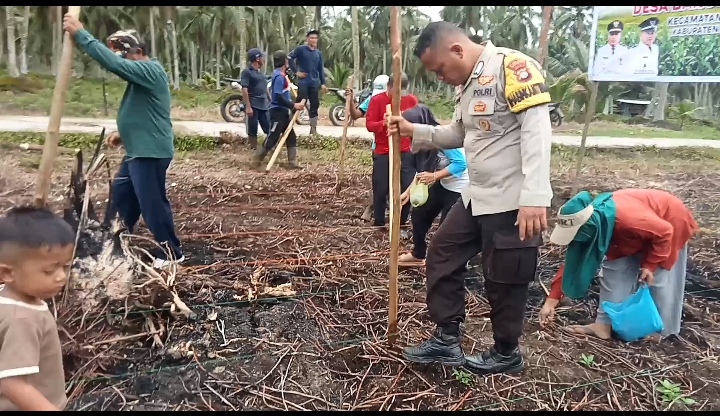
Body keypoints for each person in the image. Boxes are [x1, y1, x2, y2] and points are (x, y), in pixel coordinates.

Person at [386, 21, 553, 375]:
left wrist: (535, 196)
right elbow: (458, 133)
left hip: (512, 200)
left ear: (457, 50)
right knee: (442, 252)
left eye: (440, 69)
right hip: (476, 195)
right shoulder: (468, 84)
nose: (440, 77)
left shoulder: (512, 68)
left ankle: (506, 351)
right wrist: (414, 130)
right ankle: (447, 338)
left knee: (504, 276)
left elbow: (537, 133)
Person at [64, 15, 184, 268]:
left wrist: (81, 34)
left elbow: (114, 65)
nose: (124, 63)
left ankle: (171, 253)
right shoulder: (142, 79)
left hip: (150, 152)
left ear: (138, 52)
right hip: (138, 150)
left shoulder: (151, 70)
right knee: (121, 199)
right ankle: (114, 243)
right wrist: (124, 133)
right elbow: (148, 110)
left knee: (152, 204)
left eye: (126, 57)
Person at [539, 189, 698, 340]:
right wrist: (551, 300)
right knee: (613, 273)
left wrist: (650, 265)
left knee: (658, 279)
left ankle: (662, 332)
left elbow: (665, 231)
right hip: (633, 232)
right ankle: (603, 325)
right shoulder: (596, 225)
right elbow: (572, 263)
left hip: (669, 221)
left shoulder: (628, 220)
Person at [0, 206, 75, 411]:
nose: (61, 277)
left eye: (65, 266)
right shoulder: (22, 319)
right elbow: (12, 384)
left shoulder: (11, 299)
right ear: (7, 273)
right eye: (49, 271)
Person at [397, 104, 469, 267]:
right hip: (444, 184)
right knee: (419, 214)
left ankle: (446, 265)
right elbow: (423, 171)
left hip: (460, 187)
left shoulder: (441, 138)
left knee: (447, 230)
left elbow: (461, 163)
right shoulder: (422, 143)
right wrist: (407, 193)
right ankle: (418, 254)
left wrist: (434, 176)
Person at [365, 72, 418, 235]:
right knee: (381, 188)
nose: (400, 96)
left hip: (405, 151)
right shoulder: (377, 100)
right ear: (389, 87)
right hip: (383, 151)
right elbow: (370, 125)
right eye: (396, 91)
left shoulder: (411, 100)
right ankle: (379, 223)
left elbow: (417, 123)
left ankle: (400, 223)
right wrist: (384, 123)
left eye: (402, 92)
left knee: (407, 187)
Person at [251, 51, 306, 170]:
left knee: (291, 136)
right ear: (284, 62)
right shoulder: (279, 76)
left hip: (283, 111)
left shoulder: (281, 75)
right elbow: (277, 96)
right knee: (273, 137)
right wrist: (293, 105)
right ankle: (256, 161)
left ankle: (292, 162)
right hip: (277, 112)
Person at [345, 74, 390, 222]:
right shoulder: (372, 99)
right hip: (379, 147)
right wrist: (351, 101)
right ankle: (373, 208)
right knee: (380, 183)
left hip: (397, 148)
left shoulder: (398, 100)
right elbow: (355, 115)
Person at [289, 29, 327, 135]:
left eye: (315, 38)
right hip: (303, 82)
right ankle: (287, 124)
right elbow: (289, 58)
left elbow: (320, 69)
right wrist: (296, 72)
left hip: (314, 82)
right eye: (312, 38)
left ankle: (313, 130)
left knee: (315, 104)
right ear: (307, 39)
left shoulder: (318, 53)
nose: (314, 40)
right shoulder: (301, 49)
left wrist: (323, 83)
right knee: (300, 101)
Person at [241, 48, 270, 150]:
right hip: (253, 104)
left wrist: (270, 99)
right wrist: (248, 107)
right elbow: (245, 90)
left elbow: (265, 87)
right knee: (252, 128)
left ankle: (267, 147)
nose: (263, 59)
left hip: (263, 104)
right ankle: (253, 148)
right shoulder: (247, 72)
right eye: (262, 57)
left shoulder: (261, 72)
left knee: (268, 127)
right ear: (257, 58)